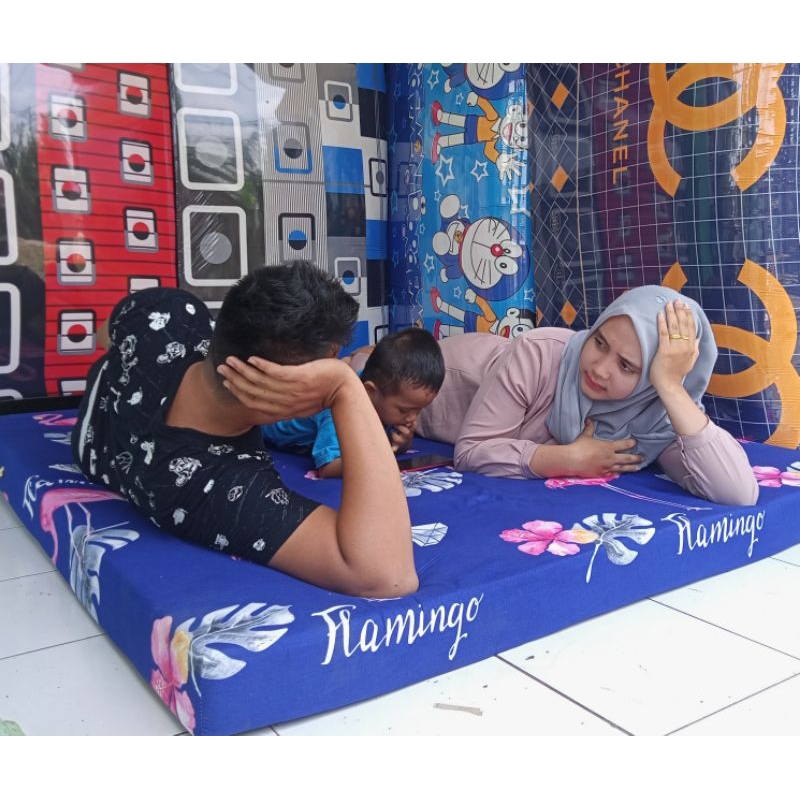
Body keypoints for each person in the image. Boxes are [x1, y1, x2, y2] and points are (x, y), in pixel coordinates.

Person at [71, 261, 418, 598]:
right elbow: (388, 576)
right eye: (326, 370)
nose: (338, 368)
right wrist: (345, 386)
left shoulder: (171, 309)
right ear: (274, 387)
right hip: (100, 448)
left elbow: (105, 334)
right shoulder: (210, 484)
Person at [416, 284, 758, 506]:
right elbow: (472, 451)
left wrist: (671, 388)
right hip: (434, 374)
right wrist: (570, 459)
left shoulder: (656, 411)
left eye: (626, 366)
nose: (599, 369)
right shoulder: (537, 353)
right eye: (599, 342)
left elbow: (738, 493)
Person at [261, 327, 444, 478]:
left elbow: (384, 441)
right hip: (265, 420)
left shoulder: (383, 394)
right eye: (404, 410)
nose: (412, 418)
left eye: (419, 410)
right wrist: (379, 458)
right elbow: (328, 467)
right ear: (370, 391)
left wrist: (403, 443)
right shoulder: (337, 405)